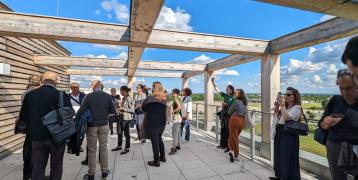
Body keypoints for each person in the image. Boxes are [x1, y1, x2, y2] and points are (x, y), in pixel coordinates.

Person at [18, 71, 72, 180]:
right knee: (56, 165)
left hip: (37, 137)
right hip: (58, 136)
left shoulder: (30, 95)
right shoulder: (62, 95)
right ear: (56, 81)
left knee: (38, 166)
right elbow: (69, 115)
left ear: (42, 81)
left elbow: (23, 117)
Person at [318, 69, 358, 180]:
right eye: (341, 88)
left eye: (348, 88)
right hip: (335, 145)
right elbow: (320, 123)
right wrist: (324, 124)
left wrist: (341, 121)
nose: (344, 93)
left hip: (355, 146)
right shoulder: (335, 100)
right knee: (337, 177)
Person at [76, 80, 115, 180]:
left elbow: (81, 111)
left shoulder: (88, 96)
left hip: (92, 126)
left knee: (92, 150)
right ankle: (104, 171)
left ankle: (91, 174)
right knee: (103, 148)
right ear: (101, 86)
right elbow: (112, 111)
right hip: (104, 125)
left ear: (94, 86)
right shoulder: (107, 96)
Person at [270, 87, 303, 180]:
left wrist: (282, 105)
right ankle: (280, 175)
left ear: (295, 96)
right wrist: (277, 108)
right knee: (279, 155)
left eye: (289, 94)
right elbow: (278, 118)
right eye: (285, 94)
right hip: (281, 132)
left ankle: (288, 177)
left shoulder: (297, 108)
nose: (286, 96)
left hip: (289, 134)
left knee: (286, 157)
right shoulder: (287, 106)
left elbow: (287, 118)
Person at [18, 75, 41, 180]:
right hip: (38, 126)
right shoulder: (37, 93)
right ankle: (33, 174)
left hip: (29, 125)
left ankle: (27, 174)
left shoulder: (24, 93)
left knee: (28, 150)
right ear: (40, 82)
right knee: (36, 151)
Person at [142, 82, 168, 167]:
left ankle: (156, 161)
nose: (151, 88)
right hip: (162, 123)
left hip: (153, 123)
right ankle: (163, 157)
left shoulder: (150, 98)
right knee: (159, 139)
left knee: (155, 142)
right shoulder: (164, 99)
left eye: (152, 86)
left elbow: (143, 108)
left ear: (154, 88)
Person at [211, 78, 235, 151]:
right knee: (223, 130)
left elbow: (232, 107)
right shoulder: (225, 95)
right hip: (224, 116)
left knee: (228, 132)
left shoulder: (233, 98)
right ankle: (222, 145)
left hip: (229, 116)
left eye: (227, 89)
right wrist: (213, 82)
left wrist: (225, 104)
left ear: (231, 90)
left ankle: (228, 147)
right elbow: (218, 90)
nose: (225, 90)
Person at [112, 86, 134, 154]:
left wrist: (123, 109)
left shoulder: (130, 98)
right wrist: (119, 107)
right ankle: (119, 146)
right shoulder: (124, 98)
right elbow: (123, 107)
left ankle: (127, 148)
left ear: (124, 91)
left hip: (126, 119)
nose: (120, 92)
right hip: (121, 117)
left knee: (126, 134)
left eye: (121, 91)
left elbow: (132, 110)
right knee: (119, 133)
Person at [227, 89, 247, 162]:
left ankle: (236, 154)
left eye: (236, 93)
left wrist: (234, 111)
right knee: (234, 136)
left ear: (239, 95)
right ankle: (231, 150)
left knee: (233, 137)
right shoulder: (245, 102)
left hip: (235, 120)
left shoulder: (236, 102)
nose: (234, 94)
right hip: (242, 121)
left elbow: (229, 112)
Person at [67, 82, 86, 154]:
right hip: (70, 117)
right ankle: (70, 147)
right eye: (73, 87)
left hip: (81, 117)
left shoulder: (84, 96)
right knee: (70, 133)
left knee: (81, 132)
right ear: (71, 88)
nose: (75, 89)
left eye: (77, 87)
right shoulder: (67, 96)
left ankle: (78, 146)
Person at [169, 89, 182, 155]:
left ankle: (174, 149)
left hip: (176, 117)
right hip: (179, 117)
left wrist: (172, 111)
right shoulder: (179, 99)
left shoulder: (175, 99)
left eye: (172, 93)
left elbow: (179, 107)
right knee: (178, 133)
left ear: (175, 93)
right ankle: (178, 146)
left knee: (174, 134)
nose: (171, 94)